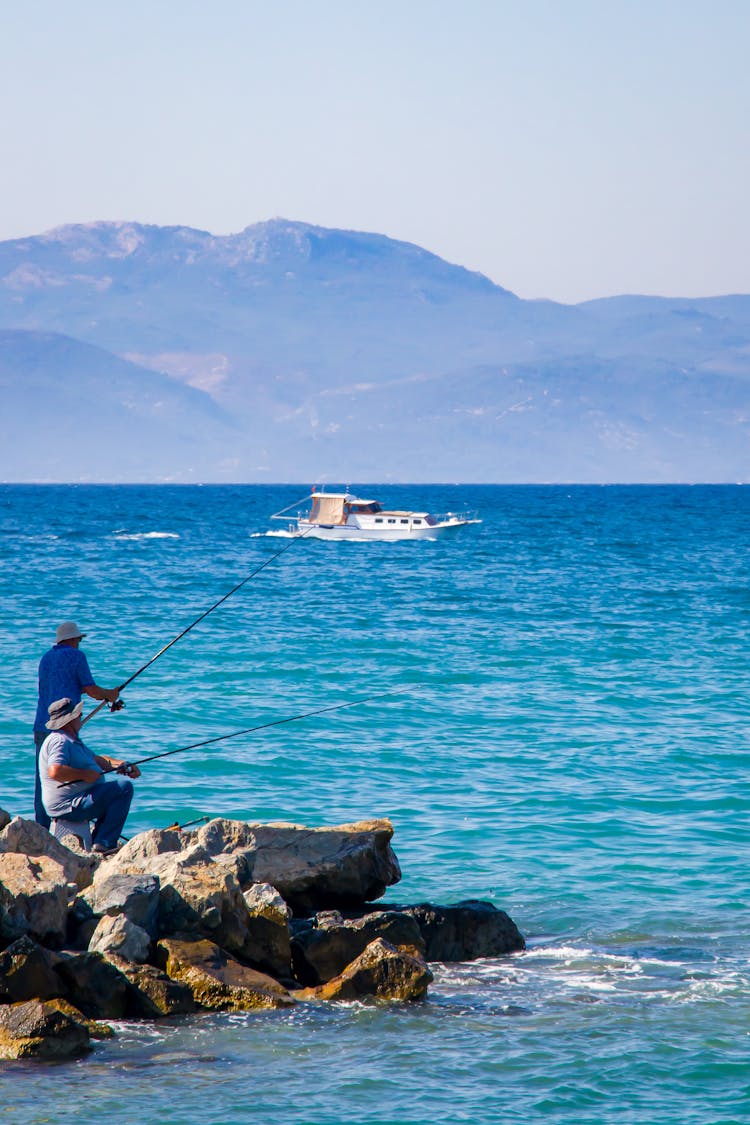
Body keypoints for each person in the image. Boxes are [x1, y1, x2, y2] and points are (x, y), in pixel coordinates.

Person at [33, 621, 121, 828]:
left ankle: (42, 827)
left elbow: (52, 688)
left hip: (41, 724)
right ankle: (79, 817)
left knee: (43, 778)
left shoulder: (46, 658)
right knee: (82, 770)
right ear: (73, 639)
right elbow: (90, 689)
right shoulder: (76, 656)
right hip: (65, 725)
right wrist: (110, 694)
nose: (79, 644)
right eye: (79, 640)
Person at [38, 697, 140, 855]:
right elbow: (55, 771)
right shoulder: (60, 741)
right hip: (68, 805)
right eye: (79, 715)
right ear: (70, 719)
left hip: (78, 800)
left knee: (117, 789)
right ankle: (104, 843)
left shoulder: (72, 740)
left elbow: (98, 760)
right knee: (123, 789)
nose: (81, 716)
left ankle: (101, 840)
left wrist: (123, 765)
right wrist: (85, 775)